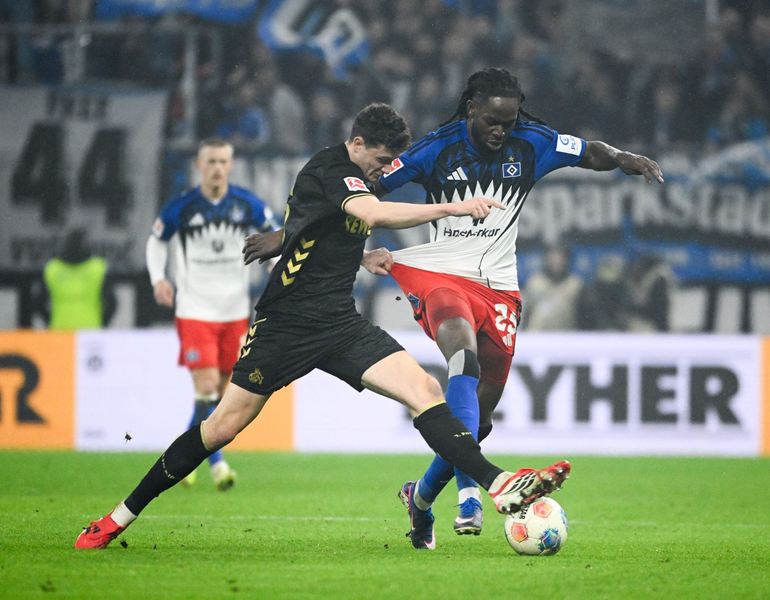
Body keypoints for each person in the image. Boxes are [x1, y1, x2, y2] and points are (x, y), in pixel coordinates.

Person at [76, 103, 570, 551]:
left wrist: (359, 253)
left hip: (338, 323)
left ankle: (500, 482)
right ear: (356, 144)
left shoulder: (357, 177)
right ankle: (117, 518)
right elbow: (371, 211)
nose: (383, 169)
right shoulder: (329, 168)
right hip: (285, 326)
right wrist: (453, 206)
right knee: (220, 428)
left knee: (424, 387)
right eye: (378, 159)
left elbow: (328, 230)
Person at [365, 68, 663, 546]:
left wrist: (624, 158)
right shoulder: (435, 149)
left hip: (500, 289)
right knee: (461, 352)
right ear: (470, 111)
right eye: (491, 120)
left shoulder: (534, 142)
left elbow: (590, 152)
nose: (501, 129)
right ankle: (470, 498)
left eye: (508, 120)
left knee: (477, 422)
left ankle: (419, 499)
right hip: (443, 274)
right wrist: (339, 221)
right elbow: (367, 195)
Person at [145, 137, 278, 492]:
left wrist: (275, 267)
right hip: (195, 310)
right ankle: (215, 465)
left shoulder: (246, 203)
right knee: (205, 389)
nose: (218, 167)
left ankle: (185, 451)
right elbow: (156, 241)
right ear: (199, 166)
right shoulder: (183, 207)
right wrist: (159, 279)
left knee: (220, 395)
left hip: (234, 311)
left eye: (223, 161)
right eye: (211, 161)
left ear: (230, 165)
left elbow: (277, 232)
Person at [37, 228, 117, 330]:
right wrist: (101, 325)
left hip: (60, 331)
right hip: (90, 331)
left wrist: (50, 323)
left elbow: (38, 304)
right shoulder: (98, 268)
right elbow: (112, 304)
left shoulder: (53, 269)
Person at [521, 243, 584, 332]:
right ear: (546, 259)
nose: (556, 261)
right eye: (553, 258)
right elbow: (525, 314)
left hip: (567, 337)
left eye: (560, 258)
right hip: (537, 338)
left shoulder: (575, 284)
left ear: (567, 260)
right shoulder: (534, 283)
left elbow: (584, 316)